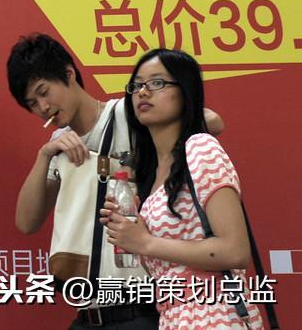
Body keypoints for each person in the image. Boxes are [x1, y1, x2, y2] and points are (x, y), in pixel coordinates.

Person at [7, 33, 224, 329]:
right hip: (88, 311)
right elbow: (26, 222)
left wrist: (139, 161)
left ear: (69, 74)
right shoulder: (58, 145)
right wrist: (45, 155)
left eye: (44, 92)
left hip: (141, 306)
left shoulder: (127, 113)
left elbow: (212, 121)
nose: (42, 107)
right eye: (32, 103)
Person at [99, 49, 266, 329]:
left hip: (215, 315)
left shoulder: (200, 147)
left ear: (185, 92)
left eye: (157, 83)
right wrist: (133, 231)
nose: (143, 92)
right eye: (136, 86)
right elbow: (167, 266)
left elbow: (235, 251)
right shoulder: (152, 170)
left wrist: (145, 242)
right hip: (173, 317)